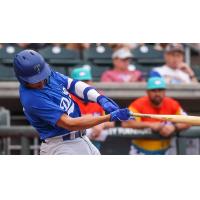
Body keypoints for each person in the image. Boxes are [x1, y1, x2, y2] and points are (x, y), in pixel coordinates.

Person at [13, 49, 134, 155]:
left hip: (81, 139)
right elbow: (69, 123)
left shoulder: (47, 74)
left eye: (42, 75)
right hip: (61, 146)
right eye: (35, 80)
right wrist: (109, 117)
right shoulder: (32, 98)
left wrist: (99, 98)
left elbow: (73, 84)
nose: (41, 81)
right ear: (22, 79)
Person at [122, 77, 190, 155]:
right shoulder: (138, 104)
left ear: (164, 92)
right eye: (154, 91)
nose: (157, 94)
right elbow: (126, 123)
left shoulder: (172, 104)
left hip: (165, 151)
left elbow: (187, 121)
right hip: (140, 151)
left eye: (160, 90)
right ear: (147, 92)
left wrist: (174, 127)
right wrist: (150, 125)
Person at [70, 67, 114, 150]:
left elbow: (111, 122)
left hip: (94, 144)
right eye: (81, 82)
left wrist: (101, 124)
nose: (84, 84)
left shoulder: (99, 98)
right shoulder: (67, 99)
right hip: (72, 144)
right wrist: (86, 120)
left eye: (87, 81)